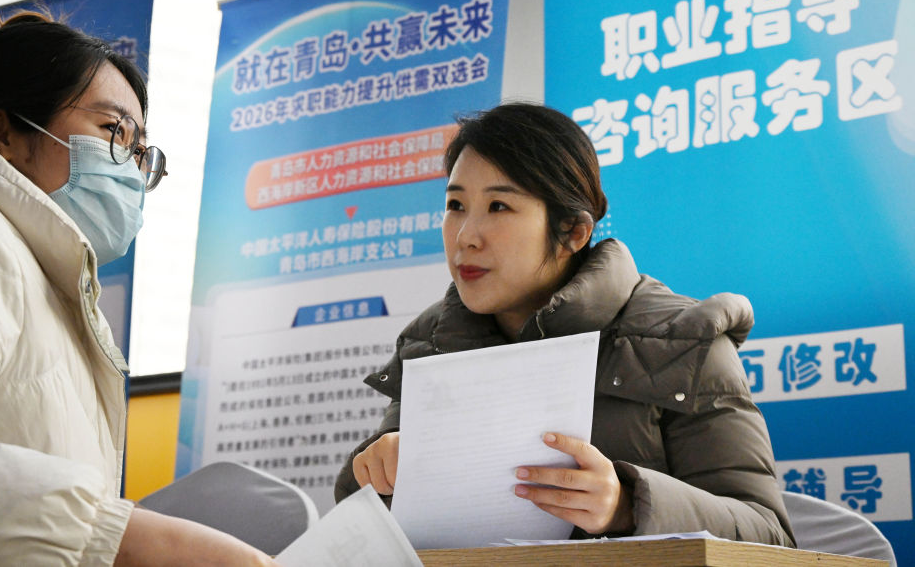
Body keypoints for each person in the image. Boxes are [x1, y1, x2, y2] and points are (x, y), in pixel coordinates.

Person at [334, 103, 795, 545]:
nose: (465, 236)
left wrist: (628, 506)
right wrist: (376, 475)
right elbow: (367, 530)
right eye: (456, 205)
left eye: (499, 207)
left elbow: (768, 534)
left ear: (573, 231)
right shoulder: (431, 341)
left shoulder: (683, 338)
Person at [0, 13, 278, 566]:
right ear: (1, 133)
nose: (130, 169)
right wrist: (126, 542)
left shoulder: (52, 286)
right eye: (112, 131)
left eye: (139, 151)